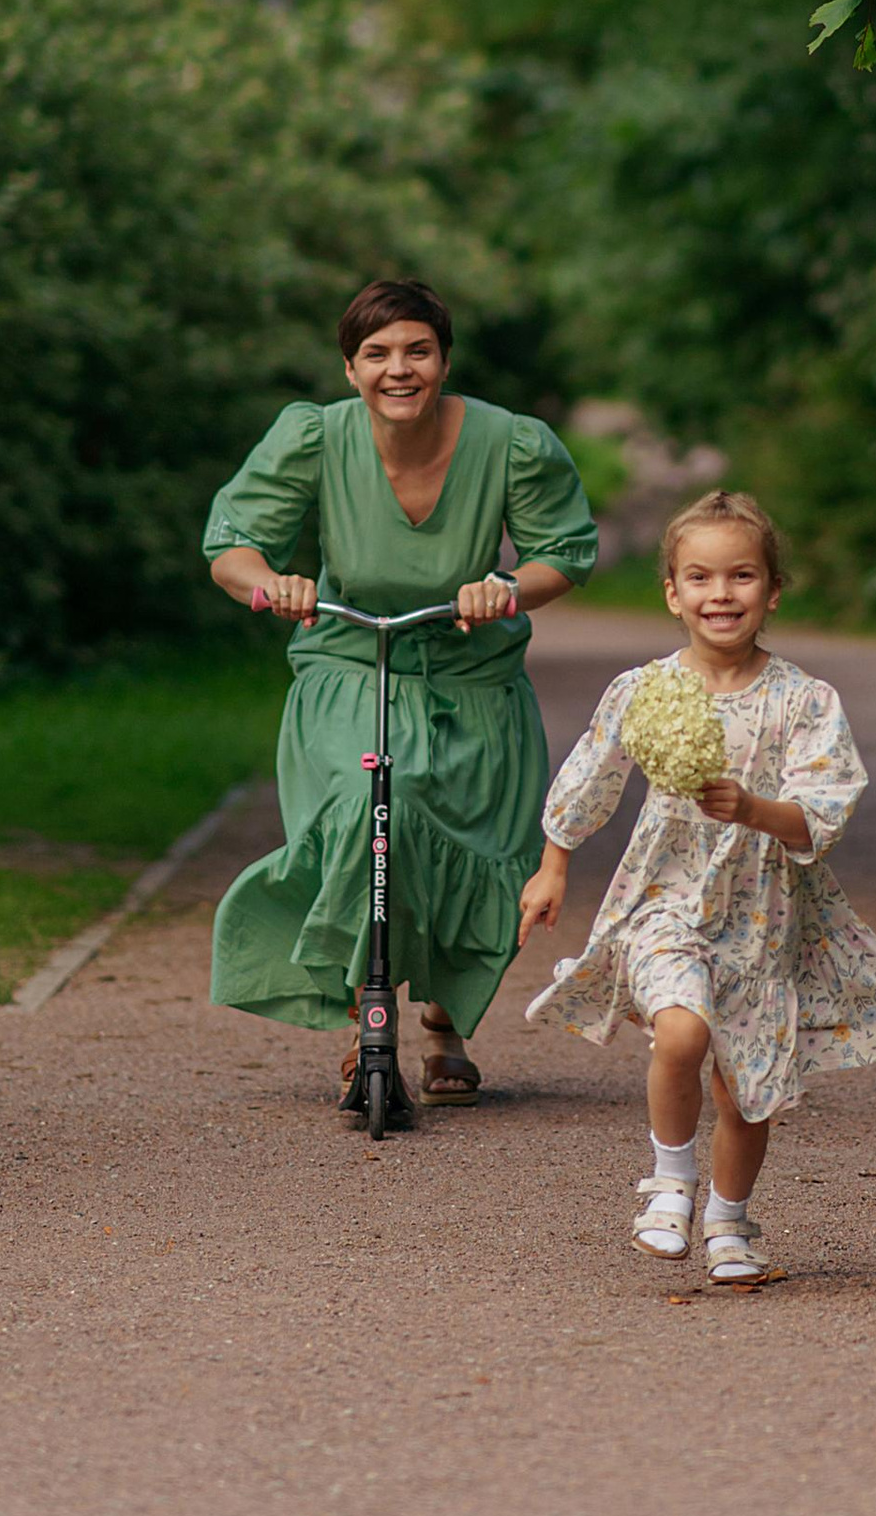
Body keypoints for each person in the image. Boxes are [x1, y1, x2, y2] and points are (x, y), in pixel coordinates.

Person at [205, 277, 597, 1101]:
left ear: (444, 359)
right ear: (350, 369)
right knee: (369, 805)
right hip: (350, 661)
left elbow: (564, 548)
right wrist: (273, 585)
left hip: (470, 673)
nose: (399, 369)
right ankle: (365, 1014)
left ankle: (446, 1019)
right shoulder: (313, 437)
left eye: (417, 350)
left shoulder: (512, 442)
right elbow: (233, 544)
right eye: (377, 354)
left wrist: (509, 589)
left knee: (467, 837)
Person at [516, 487, 876, 1283]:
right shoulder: (646, 690)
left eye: (740, 577)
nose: (720, 594)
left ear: (772, 591)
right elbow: (592, 774)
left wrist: (756, 808)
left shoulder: (806, 701)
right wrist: (553, 863)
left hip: (762, 918)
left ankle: (730, 1225)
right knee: (682, 1031)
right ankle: (669, 1181)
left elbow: (824, 811)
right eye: (699, 578)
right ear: (672, 593)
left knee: (745, 1090)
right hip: (664, 902)